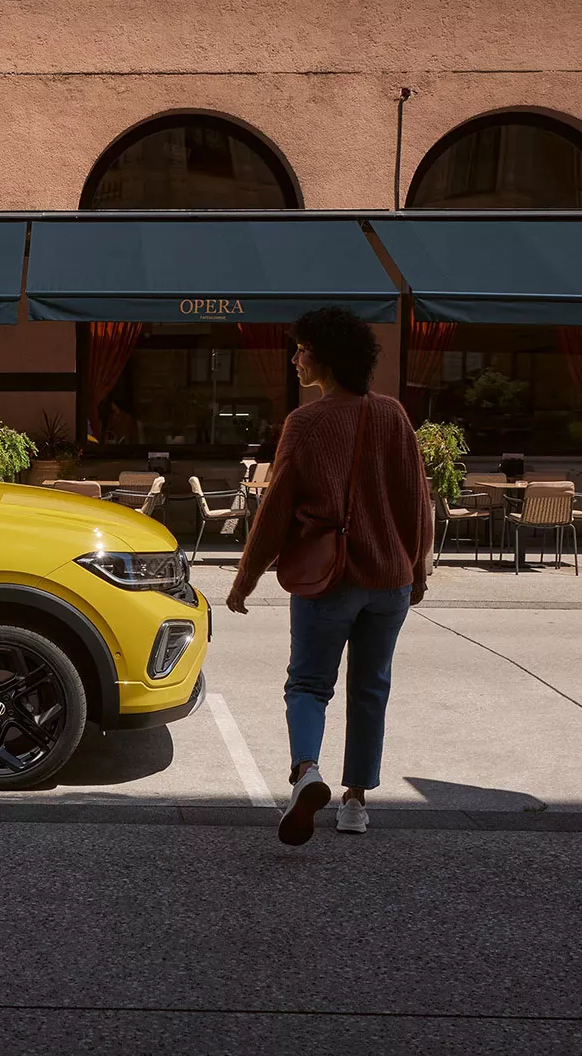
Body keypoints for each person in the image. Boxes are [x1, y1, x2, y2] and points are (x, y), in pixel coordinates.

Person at [225, 308, 432, 846]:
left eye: (302, 350)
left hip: (329, 579)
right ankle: (356, 803)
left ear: (327, 357)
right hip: (390, 582)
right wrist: (419, 569)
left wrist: (244, 579)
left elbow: (274, 511)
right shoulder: (393, 415)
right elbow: (418, 500)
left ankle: (306, 773)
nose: (295, 359)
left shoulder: (306, 423)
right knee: (371, 689)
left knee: (309, 684)